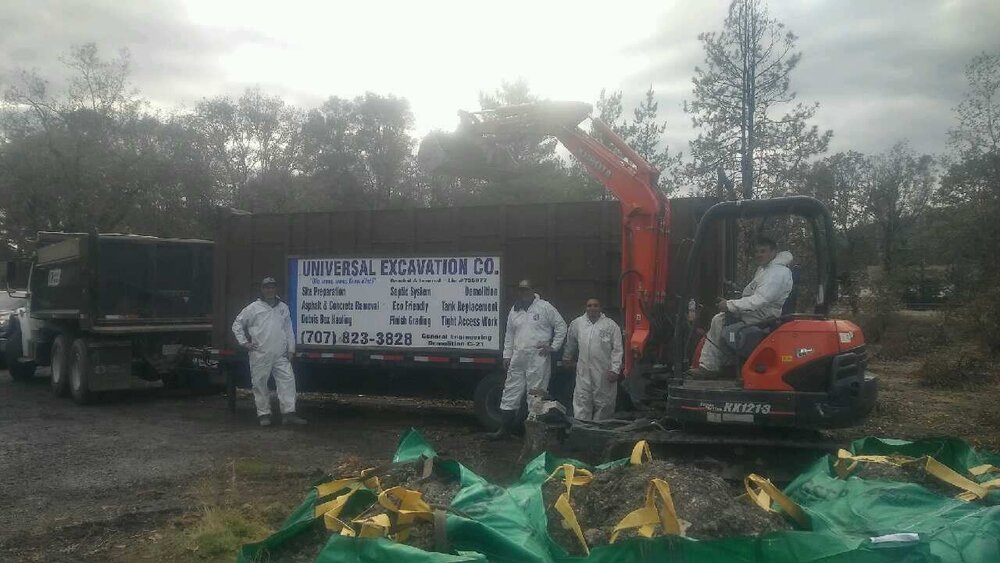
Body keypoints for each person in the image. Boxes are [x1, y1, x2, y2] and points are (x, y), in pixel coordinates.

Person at [694, 237, 794, 378]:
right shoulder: (766, 269)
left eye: (763, 251)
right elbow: (752, 296)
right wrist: (732, 302)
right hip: (758, 313)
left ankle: (710, 367)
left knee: (720, 320)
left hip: (763, 317)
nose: (759, 254)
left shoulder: (776, 273)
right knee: (721, 320)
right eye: (757, 251)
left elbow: (760, 300)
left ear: (773, 252)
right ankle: (724, 365)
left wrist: (729, 305)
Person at [489, 279, 567, 440]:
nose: (523, 293)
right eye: (521, 290)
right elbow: (509, 334)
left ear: (533, 290)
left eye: (526, 289)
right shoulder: (515, 309)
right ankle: (504, 430)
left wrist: (553, 346)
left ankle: (531, 435)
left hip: (537, 357)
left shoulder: (544, 307)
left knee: (535, 394)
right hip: (518, 357)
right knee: (510, 391)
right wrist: (507, 355)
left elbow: (561, 326)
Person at [232, 277, 307, 427]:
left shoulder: (283, 308)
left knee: (288, 382)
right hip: (260, 353)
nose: (269, 290)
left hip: (280, 354)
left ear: (275, 289)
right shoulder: (253, 308)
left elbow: (288, 329)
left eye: (272, 287)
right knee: (259, 384)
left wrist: (291, 349)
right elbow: (237, 324)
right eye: (266, 287)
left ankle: (289, 413)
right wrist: (245, 343)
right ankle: (263, 414)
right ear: (262, 289)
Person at [563, 298, 623, 421]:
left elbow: (617, 349)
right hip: (583, 369)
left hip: (603, 370)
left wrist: (615, 369)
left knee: (604, 401)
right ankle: (582, 428)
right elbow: (571, 343)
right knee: (582, 398)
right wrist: (567, 357)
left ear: (600, 308)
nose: (592, 308)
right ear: (586, 308)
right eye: (589, 305)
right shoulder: (578, 323)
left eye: (595, 305)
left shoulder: (610, 325)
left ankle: (599, 429)